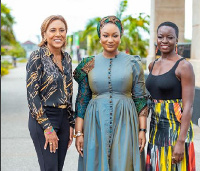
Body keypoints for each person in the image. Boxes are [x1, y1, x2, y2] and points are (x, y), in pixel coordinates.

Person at [73, 16, 148, 171]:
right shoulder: (88, 63)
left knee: (124, 164)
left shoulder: (133, 63)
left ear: (121, 37)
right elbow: (82, 99)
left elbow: (140, 99)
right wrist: (79, 133)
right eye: (105, 35)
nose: (110, 40)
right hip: (95, 122)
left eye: (115, 35)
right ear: (99, 37)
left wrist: (142, 131)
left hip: (126, 121)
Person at [26, 15, 74, 171]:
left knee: (57, 168)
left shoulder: (67, 58)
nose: (58, 34)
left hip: (63, 120)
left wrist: (71, 123)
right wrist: (47, 127)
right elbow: (32, 96)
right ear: (44, 34)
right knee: (50, 168)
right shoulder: (37, 57)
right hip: (44, 118)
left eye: (62, 30)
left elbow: (69, 93)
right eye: (52, 30)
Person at [145, 21, 196, 170]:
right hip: (155, 132)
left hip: (175, 132)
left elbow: (188, 107)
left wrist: (181, 142)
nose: (165, 41)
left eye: (170, 37)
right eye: (161, 37)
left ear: (177, 40)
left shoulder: (184, 66)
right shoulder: (152, 65)